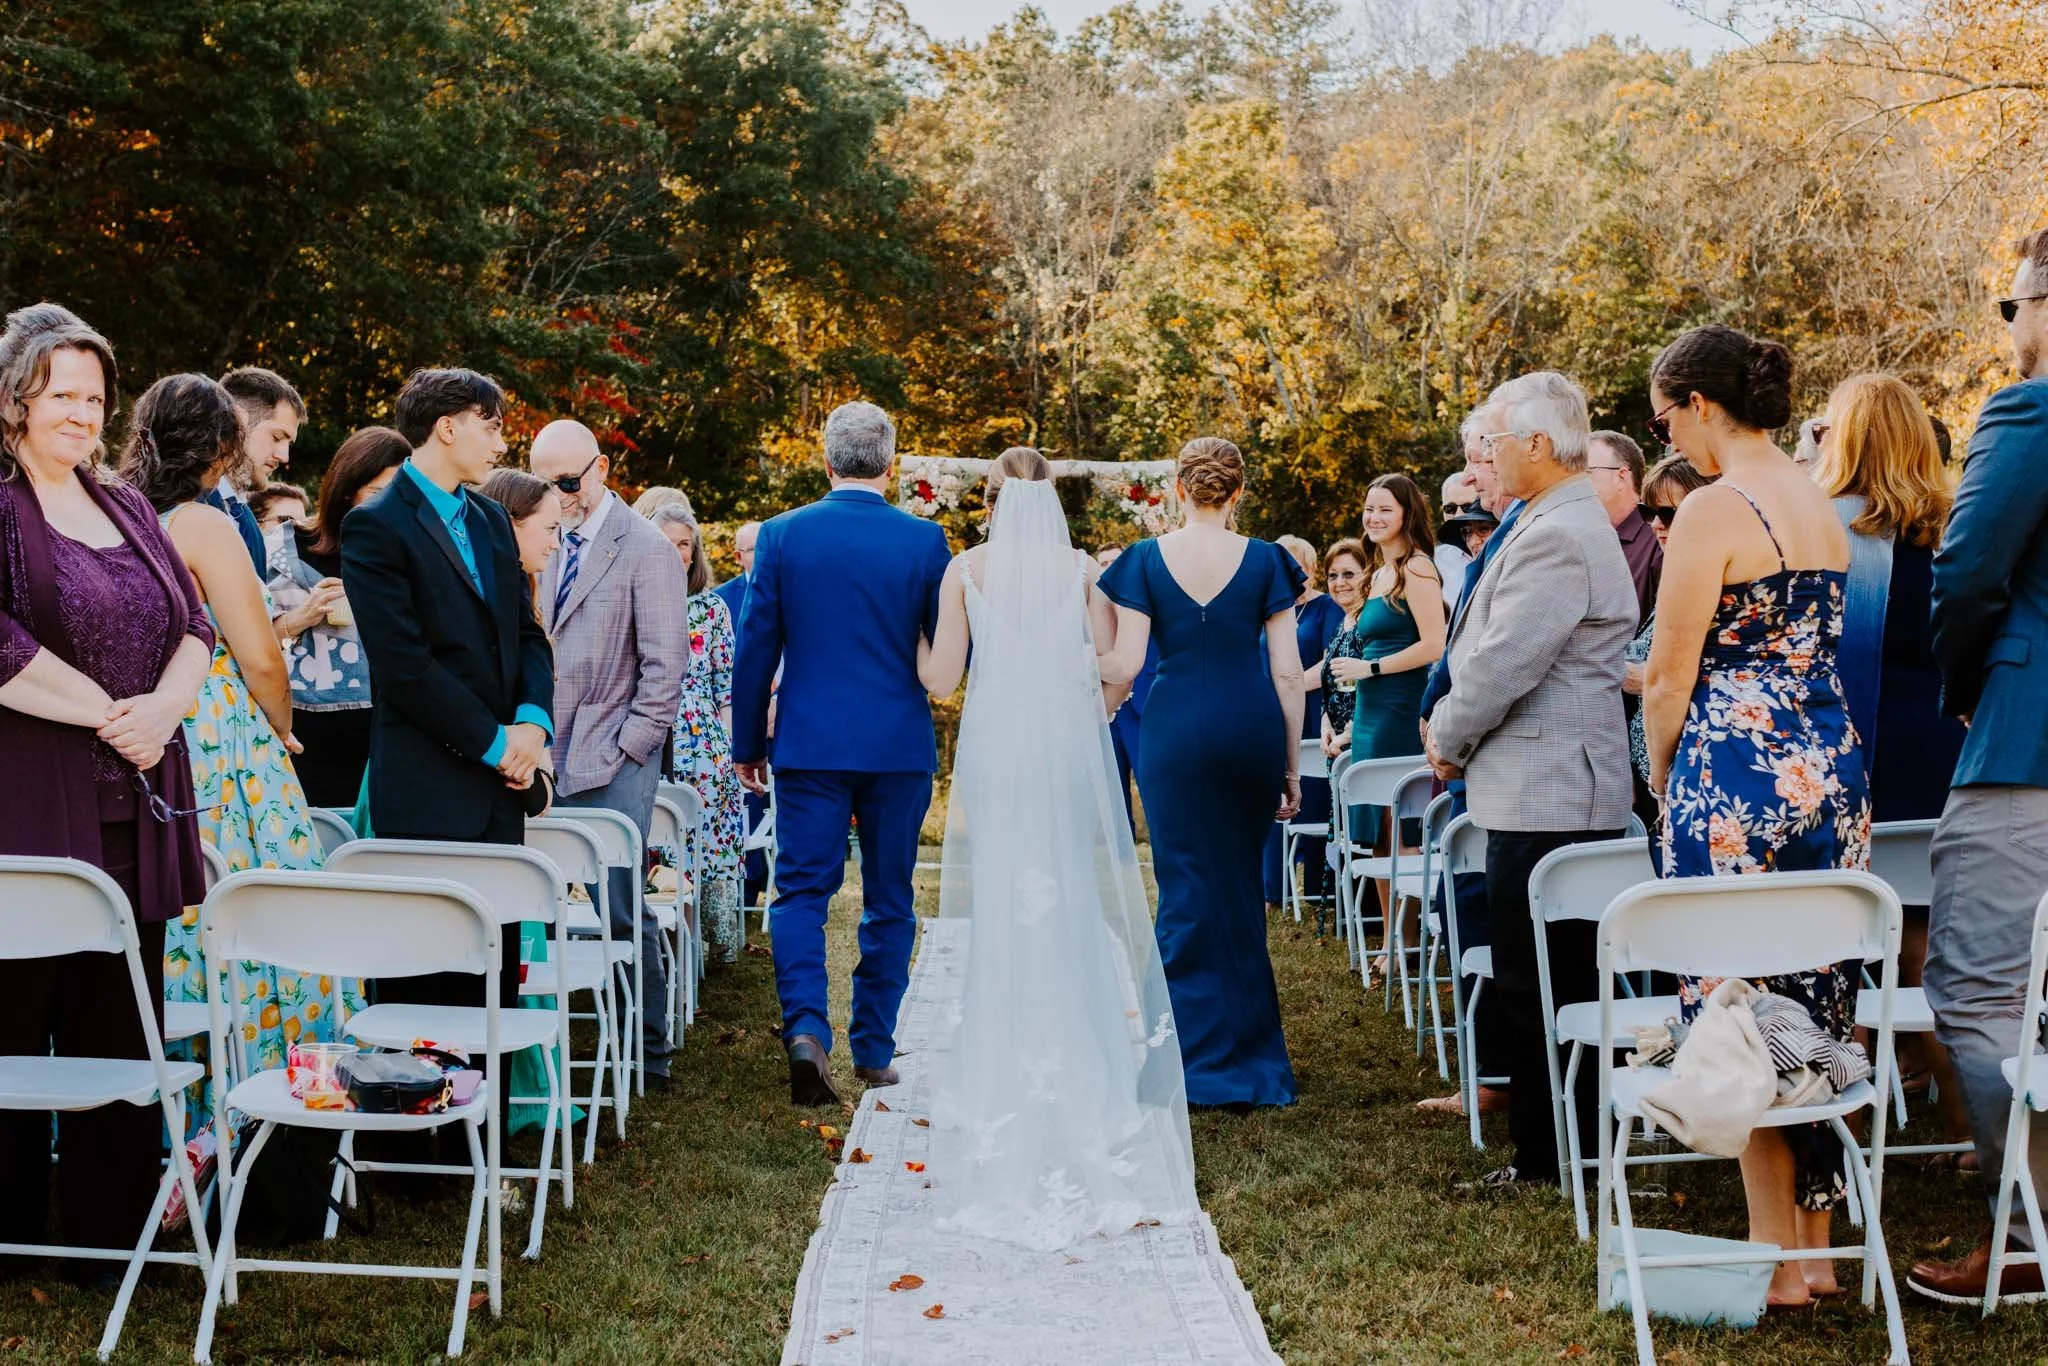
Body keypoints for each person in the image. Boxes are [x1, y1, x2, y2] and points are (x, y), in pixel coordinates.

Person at [916, 446, 1197, 1248]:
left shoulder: (964, 569)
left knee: (1008, 896)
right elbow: (1115, 668)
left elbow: (941, 680)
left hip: (999, 747)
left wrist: (910, 643)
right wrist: (1096, 712)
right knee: (1066, 892)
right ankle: (1085, 1067)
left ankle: (1000, 1066)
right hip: (1064, 747)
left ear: (995, 501)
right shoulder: (1081, 571)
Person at [1642, 325, 1869, 1306]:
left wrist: (1662, 777)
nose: (1667, 441)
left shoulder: (1710, 509)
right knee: (1812, 1009)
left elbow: (1665, 676)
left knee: (1733, 1006)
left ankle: (1771, 1257)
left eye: (1662, 420)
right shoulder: (1815, 502)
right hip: (1828, 760)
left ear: (1698, 405)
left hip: (1732, 767)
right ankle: (1813, 1251)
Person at [0, 304, 212, 1266]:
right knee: (14, 1018)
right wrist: (107, 713)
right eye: (62, 396)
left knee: (121, 1027)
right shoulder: (3, 505)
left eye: (95, 397)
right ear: (15, 402)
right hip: (30, 809)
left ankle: (110, 1234)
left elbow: (196, 626)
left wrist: (163, 710)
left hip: (139, 804)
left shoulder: (126, 503)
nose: (83, 414)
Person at [1424, 371, 1635, 1188]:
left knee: (1541, 977)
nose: (1487, 458)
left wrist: (1446, 736)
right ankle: (1559, 1148)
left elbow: (1506, 658)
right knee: (1539, 975)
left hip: (1551, 786)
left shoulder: (1557, 530)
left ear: (1540, 446)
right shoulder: (1549, 516)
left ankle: (1554, 1157)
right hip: (1543, 778)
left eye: (1498, 443)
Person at [120, 374, 354, 1091]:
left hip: (137, 722)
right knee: (252, 896)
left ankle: (165, 1101)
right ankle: (260, 1083)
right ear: (222, 449)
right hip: (217, 729)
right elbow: (258, 655)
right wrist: (280, 730)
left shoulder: (111, 511)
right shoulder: (202, 523)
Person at [733, 401, 952, 1106]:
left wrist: (746, 743)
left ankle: (805, 1030)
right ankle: (876, 1049)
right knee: (890, 895)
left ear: (826, 460)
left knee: (800, 890)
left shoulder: (782, 535)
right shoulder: (925, 542)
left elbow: (755, 649)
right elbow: (940, 654)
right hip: (896, 744)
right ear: (890, 466)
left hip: (810, 741)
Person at [1913, 226, 2048, 1305]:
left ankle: (2029, 1230)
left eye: (2011, 307)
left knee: (1974, 988)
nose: (2008, 330)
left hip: (2024, 746)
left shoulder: (2027, 409)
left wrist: (1964, 684)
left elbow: (1962, 572)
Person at [341, 367, 554, 1016]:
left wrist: (530, 725)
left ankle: (482, 1117)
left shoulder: (492, 519)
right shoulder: (375, 525)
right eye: (491, 427)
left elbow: (527, 633)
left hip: (501, 794)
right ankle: (425, 1121)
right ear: (447, 426)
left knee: (495, 993)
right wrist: (495, 743)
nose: (500, 443)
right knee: (423, 996)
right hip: (426, 788)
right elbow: (404, 667)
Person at [1098, 437, 1304, 1110]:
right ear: (1238, 492)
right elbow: (1284, 671)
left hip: (1176, 731)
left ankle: (1186, 1061)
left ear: (1176, 488)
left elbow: (1125, 666)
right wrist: (1292, 764)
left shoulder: (1143, 560)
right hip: (1250, 728)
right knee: (1239, 889)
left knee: (1185, 889)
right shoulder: (1269, 560)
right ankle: (1249, 1062)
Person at [1810, 373, 1971, 1149]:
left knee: (1840, 942)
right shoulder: (1955, 532)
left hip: (1861, 751)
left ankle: (1841, 1124)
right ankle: (1972, 1130)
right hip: (1944, 751)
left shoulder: (1825, 532)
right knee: (1931, 950)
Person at [532, 419, 690, 1088]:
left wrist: (632, 748)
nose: (560, 495)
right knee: (541, 900)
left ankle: (648, 1050)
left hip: (615, 756)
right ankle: (545, 1042)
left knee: (621, 903)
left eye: (569, 482)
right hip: (542, 752)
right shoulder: (536, 538)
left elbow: (665, 667)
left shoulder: (646, 548)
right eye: (548, 483)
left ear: (600, 470)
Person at [1329, 474, 1445, 980]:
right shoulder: (1378, 572)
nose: (1374, 517)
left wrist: (1370, 670)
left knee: (1402, 829)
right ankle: (1393, 938)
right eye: (1369, 508)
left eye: (1385, 509)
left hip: (1399, 709)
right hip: (1369, 713)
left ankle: (1411, 942)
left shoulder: (1417, 569)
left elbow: (1433, 647)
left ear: (1406, 515)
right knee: (1377, 831)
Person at [267, 428, 407, 808]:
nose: (392, 506)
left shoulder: (408, 555)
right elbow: (254, 638)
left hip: (386, 732)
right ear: (348, 489)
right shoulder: (286, 548)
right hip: (306, 731)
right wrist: (304, 615)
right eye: (379, 493)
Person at [648, 501, 747, 964]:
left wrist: (728, 750)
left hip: (702, 739)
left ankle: (705, 942)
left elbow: (725, 689)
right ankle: (660, 943)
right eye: (665, 543)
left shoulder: (712, 610)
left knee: (704, 838)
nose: (674, 552)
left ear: (694, 553)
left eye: (683, 544)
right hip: (649, 733)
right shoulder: (635, 598)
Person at [1621, 456, 1711, 819]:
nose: (1657, 525)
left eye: (1670, 514)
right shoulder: (1679, 575)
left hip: (1682, 777)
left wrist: (1644, 678)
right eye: (1649, 511)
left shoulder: (1706, 582)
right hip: (1655, 776)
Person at [1263, 534, 1347, 909]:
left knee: (1313, 797)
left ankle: (1317, 889)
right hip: (1269, 708)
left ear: (1309, 570)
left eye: (1294, 566)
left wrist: (1293, 686)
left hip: (1313, 711)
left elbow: (1330, 661)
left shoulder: (1326, 608)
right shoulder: (1264, 610)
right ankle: (1272, 890)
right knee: (1270, 795)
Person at [212, 366, 304, 577]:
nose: (284, 456)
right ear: (238, 421)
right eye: (277, 437)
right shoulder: (189, 506)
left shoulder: (245, 517)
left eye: (289, 443)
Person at [1587, 430, 1660, 629]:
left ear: (1621, 476)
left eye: (1586, 472)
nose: (1575, 484)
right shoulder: (1582, 540)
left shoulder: (1659, 539)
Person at [1434, 470, 1480, 591]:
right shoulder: (1434, 561)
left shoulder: (1502, 547)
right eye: (1450, 508)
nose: (1458, 515)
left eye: (1467, 507)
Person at [713, 519, 759, 623]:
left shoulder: (790, 589)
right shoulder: (720, 599)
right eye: (753, 549)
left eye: (767, 547)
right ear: (739, 557)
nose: (763, 553)